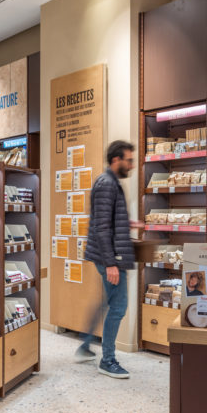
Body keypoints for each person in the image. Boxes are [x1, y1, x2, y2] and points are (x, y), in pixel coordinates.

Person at [76, 140, 137, 378]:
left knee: (108, 302)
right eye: (128, 160)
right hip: (110, 257)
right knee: (119, 306)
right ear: (116, 160)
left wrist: (127, 223)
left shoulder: (110, 182)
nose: (131, 165)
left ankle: (85, 346)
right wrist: (111, 263)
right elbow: (101, 228)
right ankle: (108, 360)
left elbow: (107, 219)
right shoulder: (106, 184)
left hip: (110, 255)